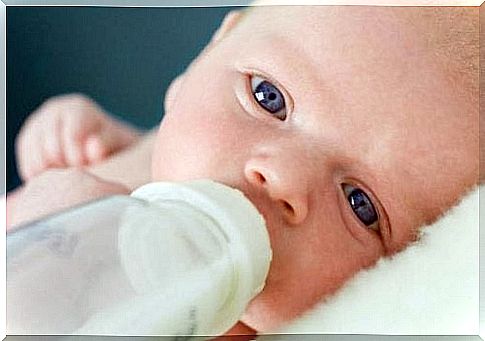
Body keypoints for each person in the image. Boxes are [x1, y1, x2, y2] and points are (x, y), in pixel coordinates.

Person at [7, 5, 480, 337]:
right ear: (200, 63)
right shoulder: (171, 154)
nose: (283, 176)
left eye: (360, 205)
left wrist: (43, 243)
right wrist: (86, 141)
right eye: (268, 97)